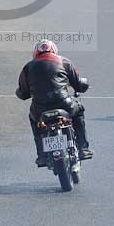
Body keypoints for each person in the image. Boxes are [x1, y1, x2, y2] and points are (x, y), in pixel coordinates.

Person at [16, 38, 93, 167]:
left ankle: (41, 155)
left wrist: (21, 92)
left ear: (35, 52)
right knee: (79, 110)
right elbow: (78, 84)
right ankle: (83, 148)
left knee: (34, 120)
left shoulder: (28, 67)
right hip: (64, 103)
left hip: (39, 108)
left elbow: (23, 93)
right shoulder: (64, 62)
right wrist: (83, 85)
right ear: (54, 50)